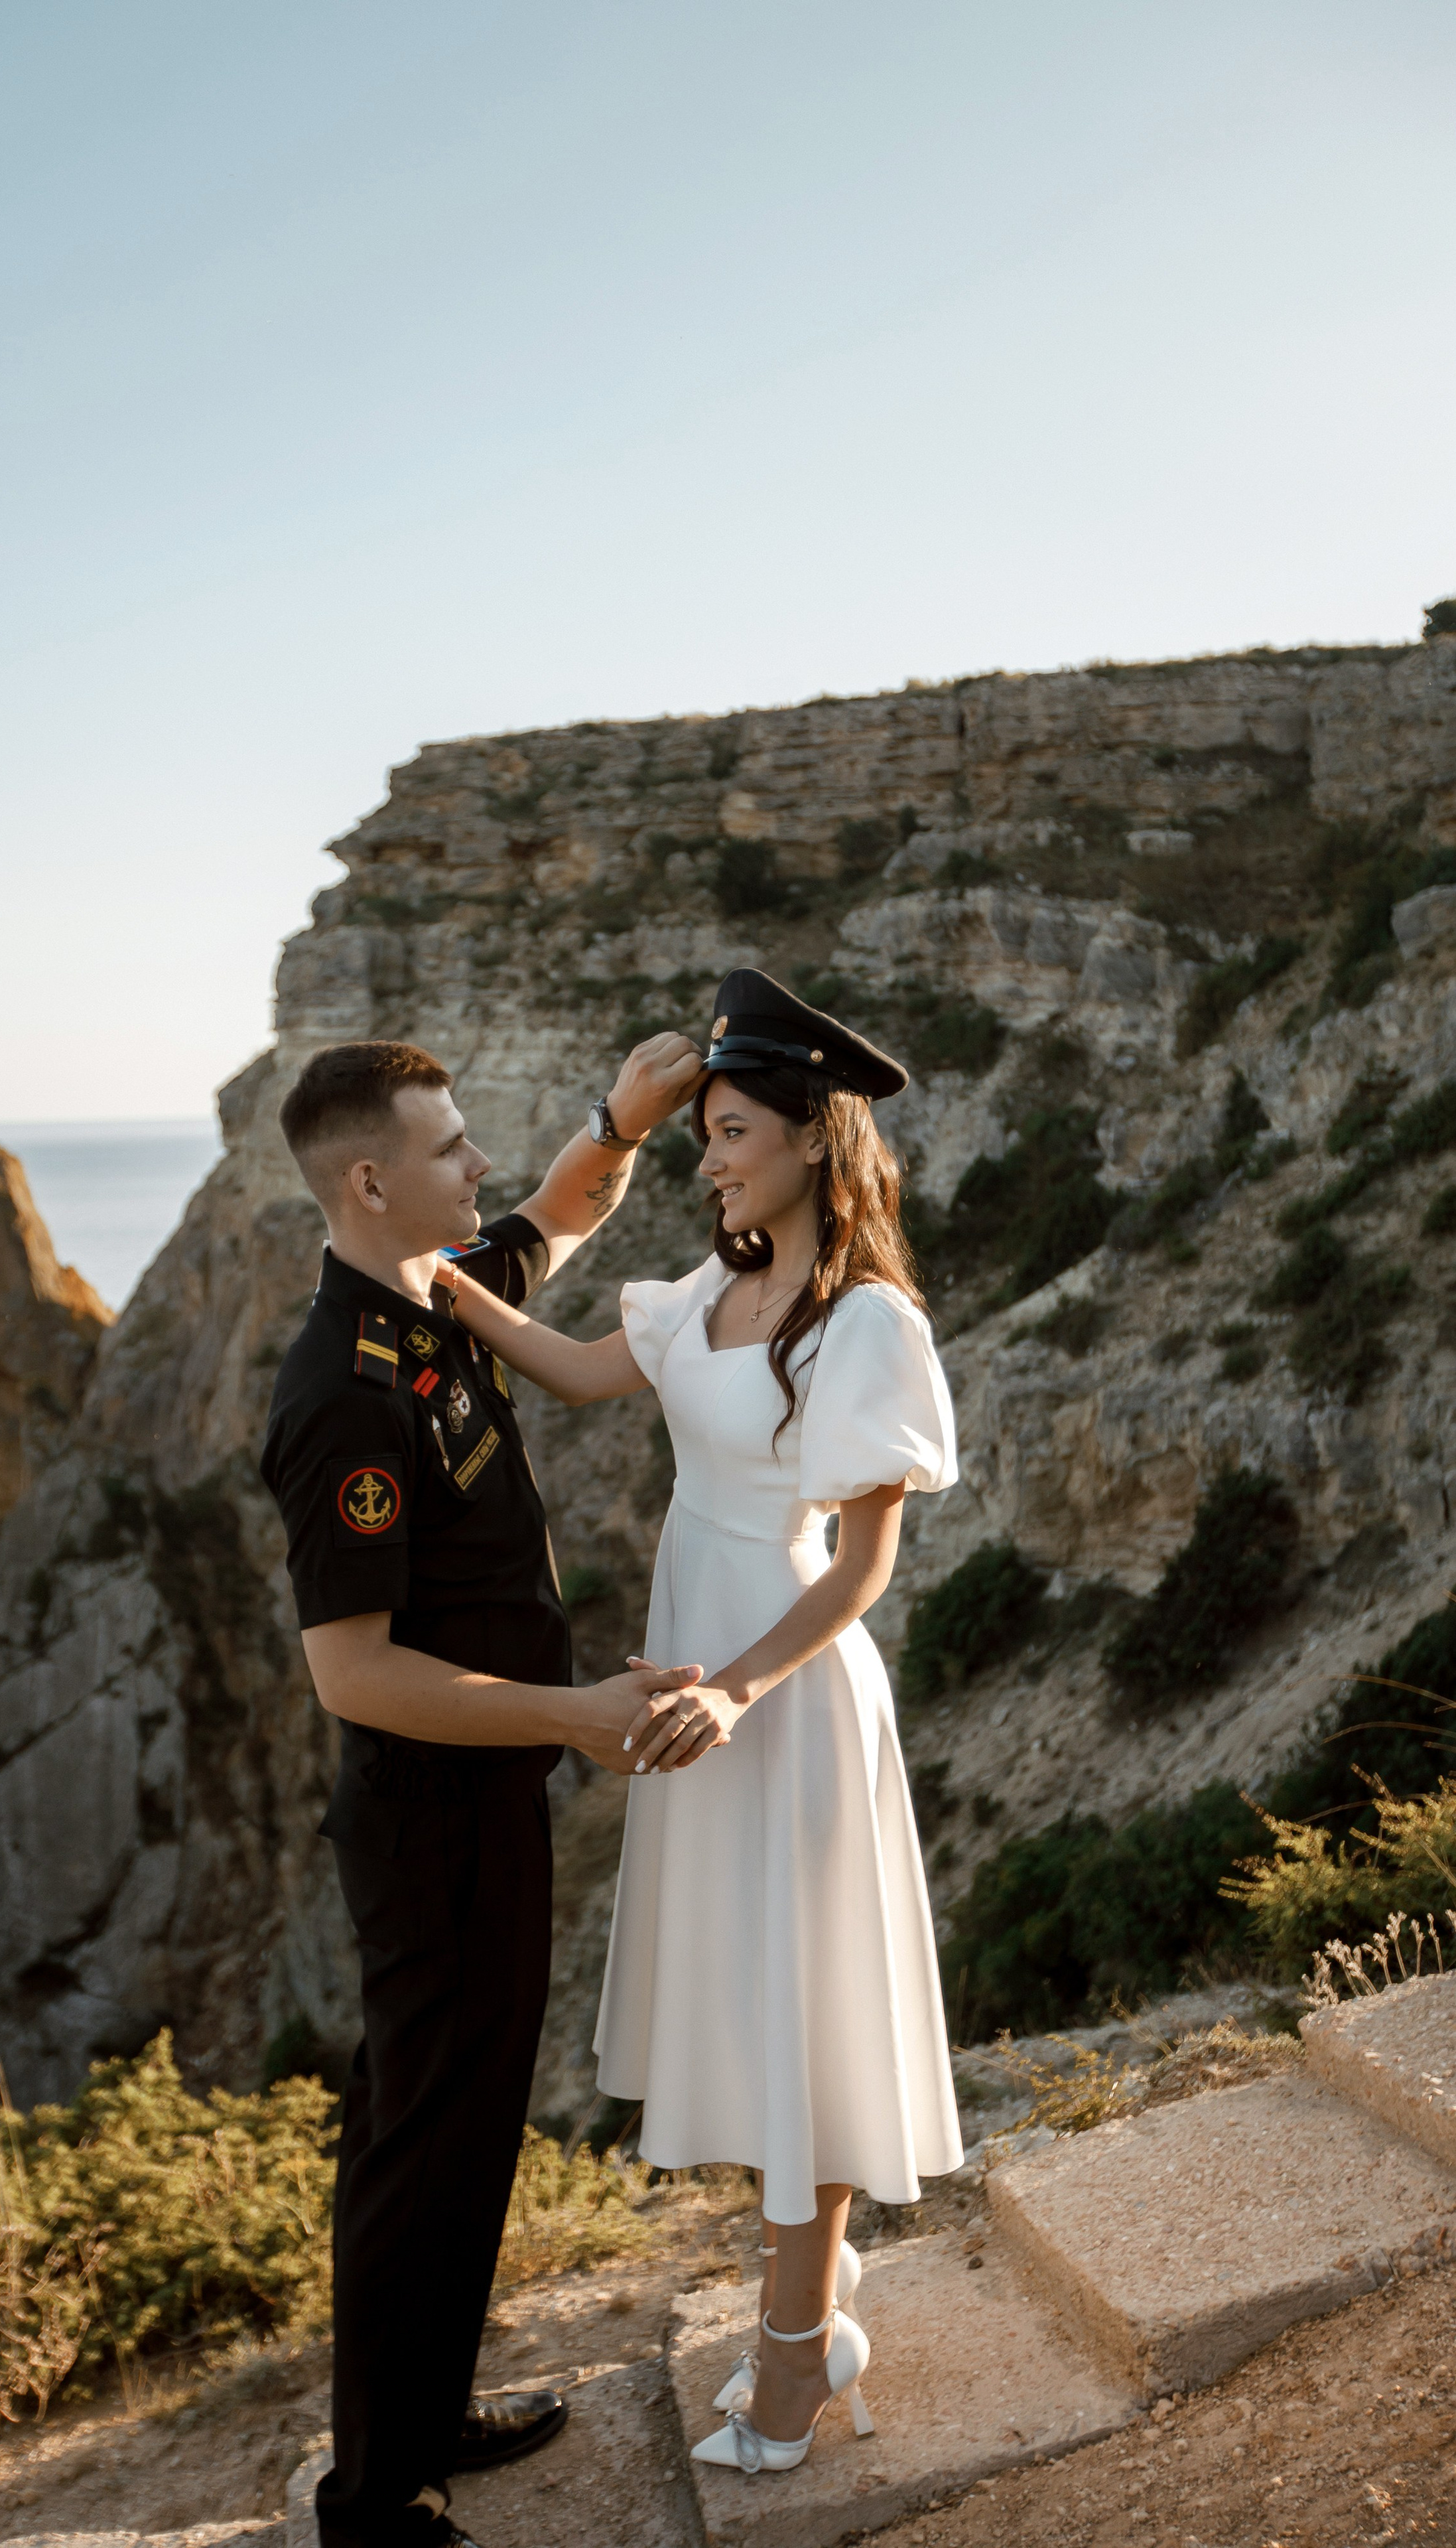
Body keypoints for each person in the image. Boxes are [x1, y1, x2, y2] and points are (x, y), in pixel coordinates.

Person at [442, 968, 964, 2480]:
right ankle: (820, 2298)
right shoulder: (701, 1298)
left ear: (811, 1138)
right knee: (749, 2001)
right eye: (703, 1134)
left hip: (781, 1697)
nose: (710, 1156)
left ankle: (798, 2353)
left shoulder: (863, 1321)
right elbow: (566, 1369)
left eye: (730, 1130)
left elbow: (862, 1566)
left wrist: (735, 1684)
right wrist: (433, 1283)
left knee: (800, 2013)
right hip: (687, 1683)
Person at [259, 1031, 708, 2548]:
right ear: (371, 1178)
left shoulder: (431, 1295)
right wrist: (575, 1716)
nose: (478, 1169)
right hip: (428, 1823)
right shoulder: (341, 1390)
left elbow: (555, 1219)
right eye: (450, 1148)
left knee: (458, 2129)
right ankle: (375, 2501)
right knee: (418, 2141)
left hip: (485, 1802)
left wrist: (623, 1123)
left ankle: (425, 2405)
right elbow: (353, 1672)